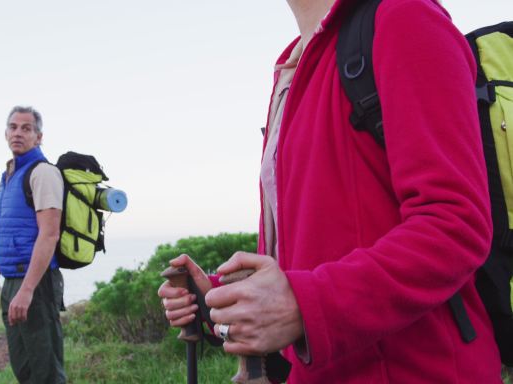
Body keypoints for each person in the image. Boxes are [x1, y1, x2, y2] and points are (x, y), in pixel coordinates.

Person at [158, 0, 503, 382]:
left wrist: (305, 306)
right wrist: (222, 301)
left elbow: (455, 224)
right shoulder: (293, 66)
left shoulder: (405, 17)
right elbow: (307, 248)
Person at [0, 106, 67, 384]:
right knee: (25, 370)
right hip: (12, 281)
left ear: (38, 137)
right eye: (13, 127)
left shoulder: (42, 173)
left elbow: (49, 235)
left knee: (46, 373)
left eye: (26, 128)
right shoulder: (8, 176)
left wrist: (28, 290)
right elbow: (6, 231)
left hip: (36, 283)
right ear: (6, 133)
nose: (18, 133)